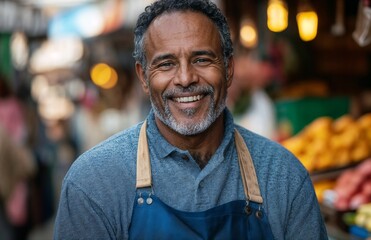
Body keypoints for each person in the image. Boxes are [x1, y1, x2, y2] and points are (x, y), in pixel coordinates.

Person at [54, 0, 328, 239]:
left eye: (202, 59)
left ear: (228, 69)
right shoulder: (93, 183)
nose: (185, 78)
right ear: (143, 77)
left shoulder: (283, 176)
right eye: (166, 64)